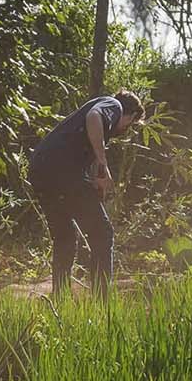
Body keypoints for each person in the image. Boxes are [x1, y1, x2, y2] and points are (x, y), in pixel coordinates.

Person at [27, 90, 143, 298]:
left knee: (65, 237)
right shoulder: (113, 105)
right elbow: (94, 116)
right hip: (62, 169)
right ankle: (102, 302)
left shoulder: (88, 130)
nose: (126, 129)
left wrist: (97, 178)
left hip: (41, 168)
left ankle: (60, 299)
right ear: (131, 115)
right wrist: (102, 162)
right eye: (130, 124)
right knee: (102, 233)